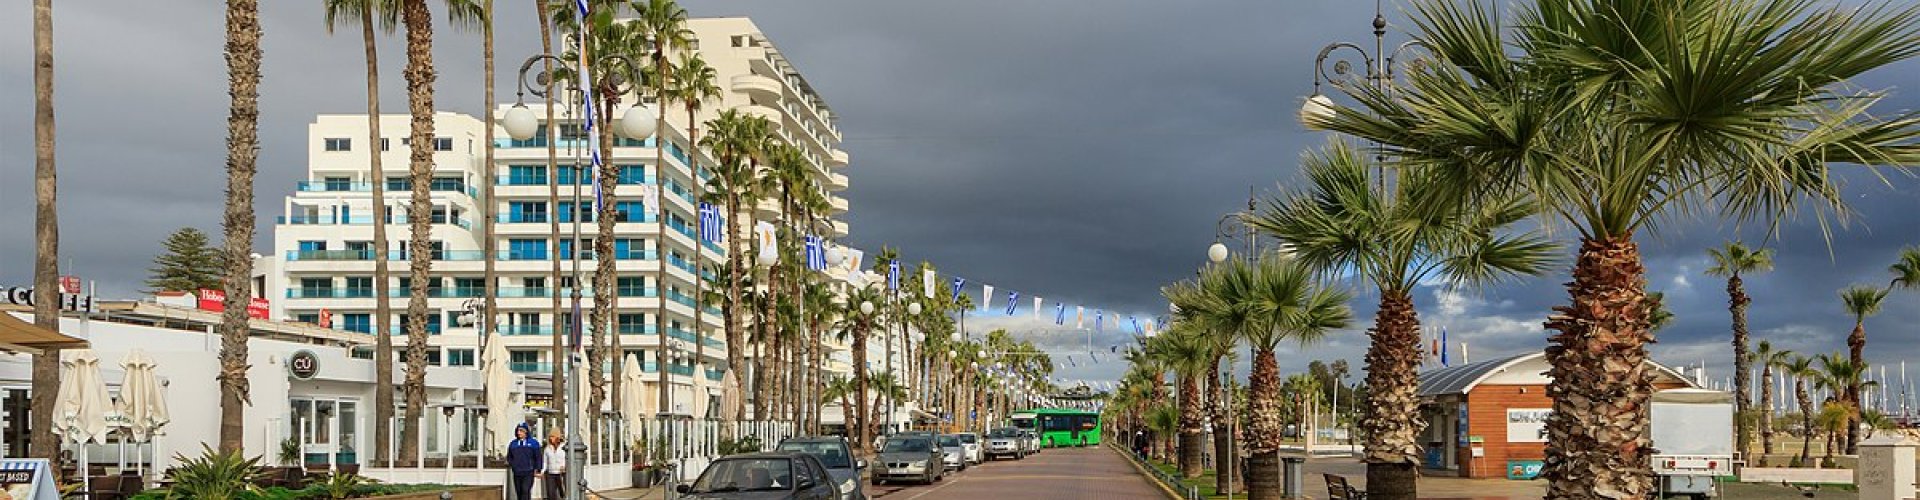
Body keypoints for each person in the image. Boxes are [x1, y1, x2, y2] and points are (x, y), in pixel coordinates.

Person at [505, 425, 542, 500]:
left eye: (521, 431)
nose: (519, 433)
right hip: (517, 472)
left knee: (525, 490)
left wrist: (538, 469)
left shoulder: (533, 443)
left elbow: (538, 457)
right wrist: (513, 465)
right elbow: (509, 457)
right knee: (519, 492)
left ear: (526, 432)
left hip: (528, 472)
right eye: (518, 431)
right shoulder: (513, 444)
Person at [542, 430, 567, 500]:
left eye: (552, 436)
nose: (550, 438)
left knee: (562, 493)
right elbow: (545, 462)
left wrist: (564, 466)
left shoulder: (564, 447)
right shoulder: (547, 448)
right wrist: (542, 471)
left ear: (557, 437)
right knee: (551, 493)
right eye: (550, 437)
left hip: (561, 473)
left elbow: (567, 458)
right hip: (551, 474)